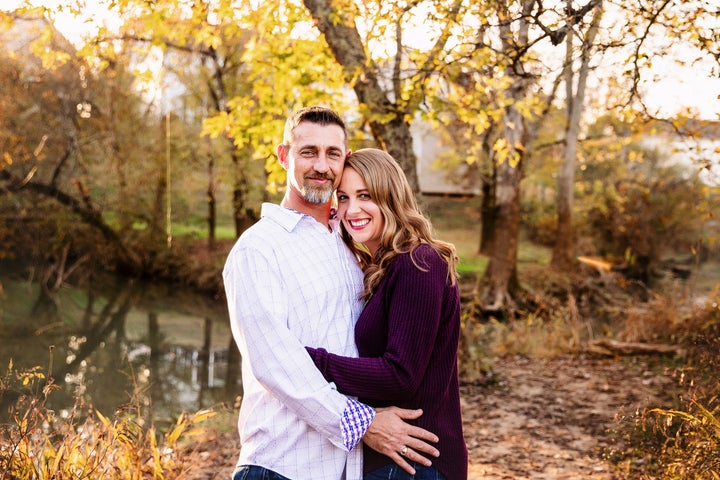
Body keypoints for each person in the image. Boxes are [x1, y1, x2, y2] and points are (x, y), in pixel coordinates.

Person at [222, 107, 439, 480]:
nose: (321, 165)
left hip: (346, 466)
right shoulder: (258, 249)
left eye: (332, 153)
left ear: (345, 158)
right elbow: (274, 363)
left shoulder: (349, 242)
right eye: (308, 152)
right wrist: (364, 423)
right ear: (284, 155)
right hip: (282, 463)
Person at [305, 148, 468, 479]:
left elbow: (400, 375)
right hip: (397, 459)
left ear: (390, 197)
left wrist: (310, 360)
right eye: (344, 197)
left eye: (365, 195)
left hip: (415, 463)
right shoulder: (387, 267)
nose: (352, 210)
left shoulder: (417, 263)